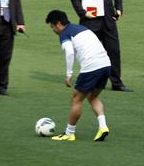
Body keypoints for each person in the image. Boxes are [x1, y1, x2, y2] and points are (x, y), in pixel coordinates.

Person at [71, 0, 132, 92]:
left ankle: (116, 83)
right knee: (90, 54)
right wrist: (83, 13)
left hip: (108, 21)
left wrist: (119, 9)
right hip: (89, 22)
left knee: (114, 51)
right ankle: (90, 83)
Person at [45, 10, 111, 142]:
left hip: (92, 67)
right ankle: (103, 127)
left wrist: (69, 74)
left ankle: (69, 133)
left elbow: (69, 53)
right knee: (92, 96)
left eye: (52, 26)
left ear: (58, 24)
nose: (53, 30)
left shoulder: (65, 33)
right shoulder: (81, 28)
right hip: (106, 64)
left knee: (76, 99)